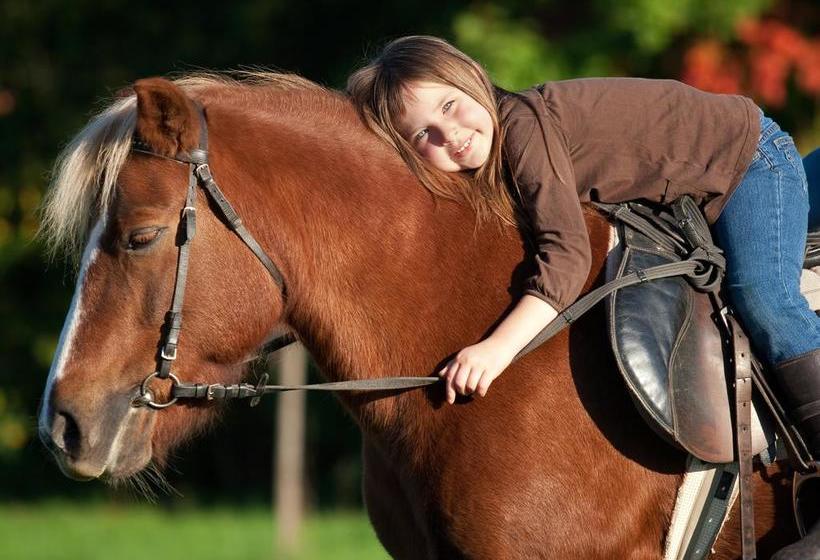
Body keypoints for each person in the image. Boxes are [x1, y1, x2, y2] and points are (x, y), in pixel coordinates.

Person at [346, 35, 819, 554]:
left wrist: (495, 348)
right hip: (687, 185)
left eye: (451, 105)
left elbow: (566, 259)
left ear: (473, 79)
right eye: (425, 135)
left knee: (764, 297)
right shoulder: (499, 161)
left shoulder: (523, 127)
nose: (451, 134)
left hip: (748, 160)